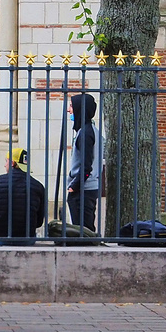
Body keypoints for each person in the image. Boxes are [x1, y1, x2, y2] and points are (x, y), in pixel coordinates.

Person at [0, 148, 47, 245]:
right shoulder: (38, 186)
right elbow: (39, 221)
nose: (5, 165)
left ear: (12, 163)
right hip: (26, 239)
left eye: (6, 161)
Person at [66, 93, 101, 230]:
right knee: (84, 229)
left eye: (71, 106)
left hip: (83, 189)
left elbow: (86, 165)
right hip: (87, 188)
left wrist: (74, 185)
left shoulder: (86, 133)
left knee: (83, 231)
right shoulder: (90, 130)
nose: (69, 110)